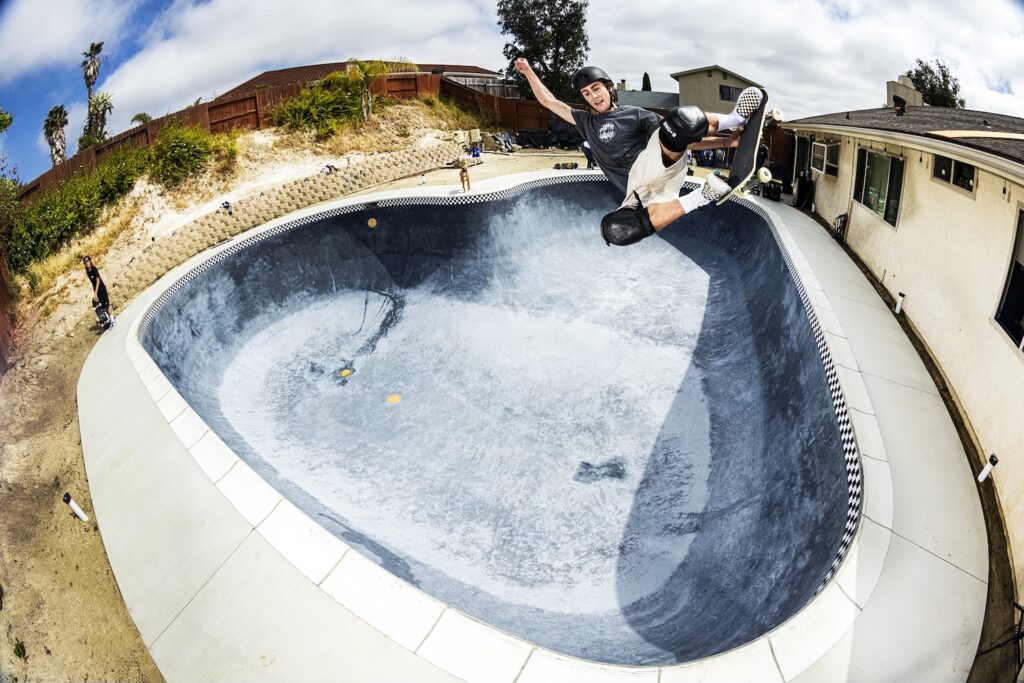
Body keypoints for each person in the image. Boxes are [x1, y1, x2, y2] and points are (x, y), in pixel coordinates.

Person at [514, 59, 763, 246]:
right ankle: (703, 196)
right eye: (586, 93)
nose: (593, 96)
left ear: (609, 88)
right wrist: (528, 72)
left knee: (681, 120)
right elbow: (549, 102)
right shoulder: (585, 121)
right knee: (616, 231)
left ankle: (734, 118)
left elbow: (679, 137)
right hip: (637, 192)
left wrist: (723, 141)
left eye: (596, 88)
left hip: (654, 164)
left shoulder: (634, 114)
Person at [83, 256, 115, 328]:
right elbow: (93, 283)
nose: (87, 263)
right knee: (103, 306)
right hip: (97, 291)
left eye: (88, 261)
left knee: (107, 305)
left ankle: (113, 320)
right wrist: (95, 293)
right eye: (85, 262)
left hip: (101, 289)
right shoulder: (88, 272)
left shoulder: (94, 269)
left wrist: (95, 293)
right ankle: (110, 320)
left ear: (90, 261)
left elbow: (98, 281)